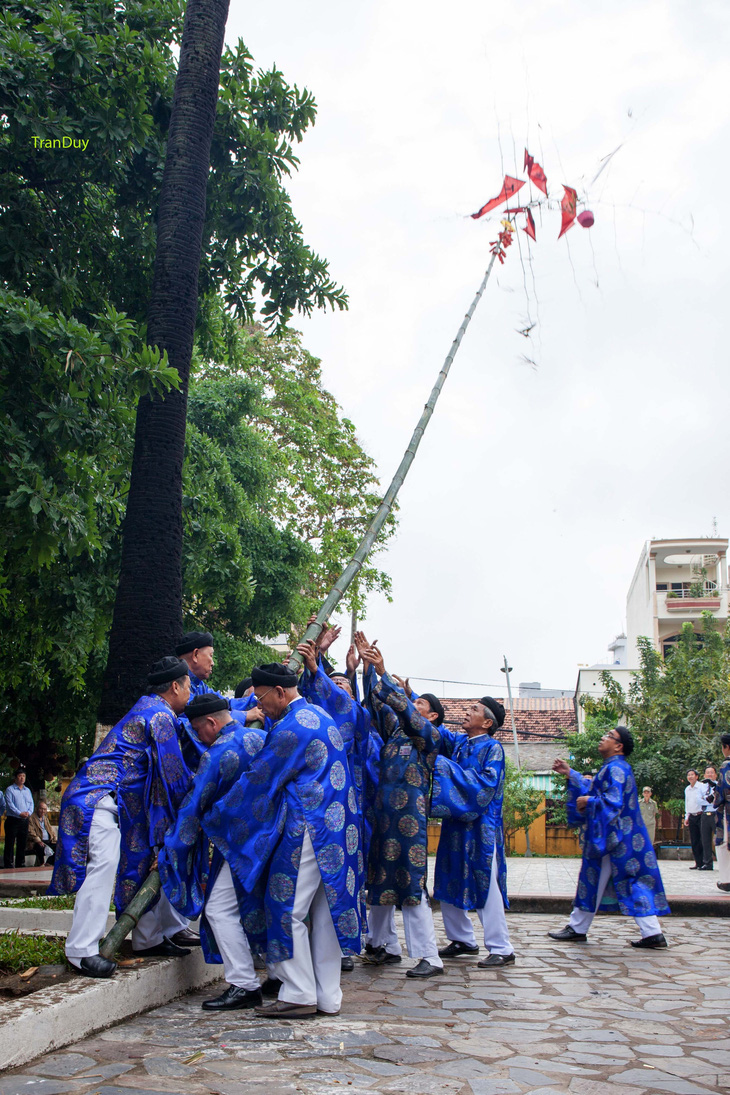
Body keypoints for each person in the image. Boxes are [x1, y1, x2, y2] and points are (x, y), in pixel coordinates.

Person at [207, 663, 361, 1019]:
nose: (261, 707)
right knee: (324, 914)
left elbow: (260, 779)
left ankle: (299, 993)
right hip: (337, 828)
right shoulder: (320, 715)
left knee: (286, 909)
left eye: (261, 698)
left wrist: (218, 814)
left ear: (280, 692)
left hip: (309, 826)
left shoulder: (291, 727)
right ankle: (327, 996)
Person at [49, 656, 195, 977]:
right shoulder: (159, 716)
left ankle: (148, 939)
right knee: (103, 865)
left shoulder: (151, 708)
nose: (191, 693)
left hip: (117, 804)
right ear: (175, 686)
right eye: (188, 686)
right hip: (99, 799)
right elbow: (174, 777)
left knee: (139, 862)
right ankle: (81, 950)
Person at [381, 687, 516, 969]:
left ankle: (502, 947)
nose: (467, 712)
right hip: (456, 824)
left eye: (475, 710)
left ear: (488, 723)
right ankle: (463, 939)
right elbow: (433, 726)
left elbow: (486, 786)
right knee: (448, 877)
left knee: (486, 885)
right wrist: (411, 696)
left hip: (481, 828)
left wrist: (443, 766)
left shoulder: (492, 748)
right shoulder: (461, 744)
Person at [159, 693, 268, 1011]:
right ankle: (276, 974)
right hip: (267, 840)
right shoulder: (261, 736)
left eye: (197, 729)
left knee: (220, 911)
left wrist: (170, 850)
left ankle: (245, 984)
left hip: (234, 845)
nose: (197, 737)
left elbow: (194, 808)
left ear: (210, 722)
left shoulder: (217, 754)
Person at [355, 633, 445, 979]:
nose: (413, 702)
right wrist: (368, 669)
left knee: (411, 884)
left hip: (409, 824)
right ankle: (383, 946)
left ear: (432, 715)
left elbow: (403, 708)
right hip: (385, 820)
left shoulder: (429, 738)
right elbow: (379, 706)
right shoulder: (395, 736)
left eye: (420, 702)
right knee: (378, 880)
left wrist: (384, 672)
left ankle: (429, 957)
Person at [549, 726, 670, 948]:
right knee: (624, 881)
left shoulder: (616, 769)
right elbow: (597, 791)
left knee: (602, 879)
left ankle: (579, 928)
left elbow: (611, 802)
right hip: (620, 837)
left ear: (618, 745)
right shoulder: (614, 768)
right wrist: (571, 774)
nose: (602, 738)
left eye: (608, 736)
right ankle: (651, 933)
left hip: (613, 839)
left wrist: (588, 802)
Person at [4, 767, 34, 868]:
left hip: (24, 820)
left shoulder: (27, 790)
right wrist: (19, 813)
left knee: (22, 842)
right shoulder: (10, 790)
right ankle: (8, 863)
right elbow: (10, 805)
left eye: (24, 776)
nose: (22, 778)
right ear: (16, 778)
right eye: (20, 776)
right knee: (10, 842)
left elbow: (31, 804)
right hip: (13, 820)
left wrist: (28, 813)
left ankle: (20, 863)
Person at [715, 734, 730, 893]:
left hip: (728, 810)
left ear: (726, 747)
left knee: (723, 844)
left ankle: (726, 880)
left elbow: (723, 789)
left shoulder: (726, 765)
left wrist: (716, 801)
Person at [698, 766, 718, 871]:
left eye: (712, 773)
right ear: (704, 775)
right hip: (705, 814)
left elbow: (718, 800)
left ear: (715, 774)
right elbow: (699, 801)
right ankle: (707, 863)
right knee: (705, 839)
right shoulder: (701, 787)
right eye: (707, 773)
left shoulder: (718, 785)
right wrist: (709, 799)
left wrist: (707, 799)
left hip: (716, 814)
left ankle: (722, 861)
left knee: (719, 838)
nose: (709, 774)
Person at [684, 769, 705, 870]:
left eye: (692, 775)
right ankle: (698, 862)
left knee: (702, 839)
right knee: (694, 840)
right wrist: (686, 817)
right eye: (688, 775)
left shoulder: (702, 786)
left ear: (697, 776)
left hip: (701, 815)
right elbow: (687, 804)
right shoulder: (687, 789)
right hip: (691, 816)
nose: (690, 777)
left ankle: (705, 862)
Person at [27, 800, 57, 865]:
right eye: (41, 809)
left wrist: (54, 838)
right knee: (39, 847)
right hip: (37, 841)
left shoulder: (45, 818)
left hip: (48, 841)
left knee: (60, 847)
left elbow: (50, 829)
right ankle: (41, 863)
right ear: (37, 809)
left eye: (45, 809)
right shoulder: (31, 818)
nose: (43, 811)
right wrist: (38, 840)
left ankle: (49, 862)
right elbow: (30, 831)